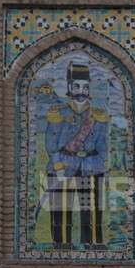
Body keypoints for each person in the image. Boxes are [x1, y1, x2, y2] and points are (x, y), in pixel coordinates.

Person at [44, 61, 110, 249]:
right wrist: (57, 167)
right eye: (77, 86)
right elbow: (51, 143)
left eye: (85, 87)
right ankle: (62, 243)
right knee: (61, 207)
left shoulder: (98, 114)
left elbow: (102, 142)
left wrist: (104, 164)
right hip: (64, 163)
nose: (81, 91)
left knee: (92, 206)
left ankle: (93, 242)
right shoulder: (58, 112)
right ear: (69, 87)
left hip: (91, 164)